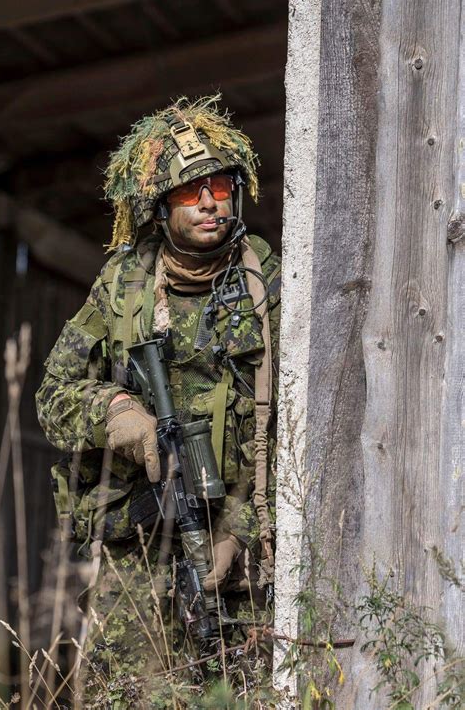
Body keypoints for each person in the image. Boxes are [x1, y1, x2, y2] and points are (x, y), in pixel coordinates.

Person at [36, 94, 281, 707]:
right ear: (157, 204)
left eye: (221, 187)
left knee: (238, 693)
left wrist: (239, 528)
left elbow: (297, 428)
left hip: (235, 551)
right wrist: (117, 413)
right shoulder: (124, 287)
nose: (207, 203)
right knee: (127, 694)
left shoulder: (268, 286)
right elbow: (53, 393)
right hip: (137, 551)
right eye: (188, 191)